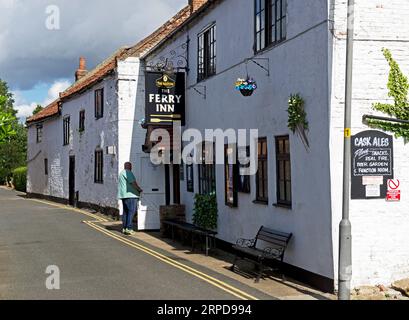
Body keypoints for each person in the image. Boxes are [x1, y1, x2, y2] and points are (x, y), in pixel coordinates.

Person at [118, 162, 143, 235]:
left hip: (124, 195)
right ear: (128, 166)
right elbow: (133, 183)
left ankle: (125, 228)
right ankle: (129, 228)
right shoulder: (127, 172)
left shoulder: (121, 173)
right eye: (130, 166)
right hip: (131, 195)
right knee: (132, 211)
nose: (131, 168)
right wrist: (139, 189)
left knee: (126, 212)